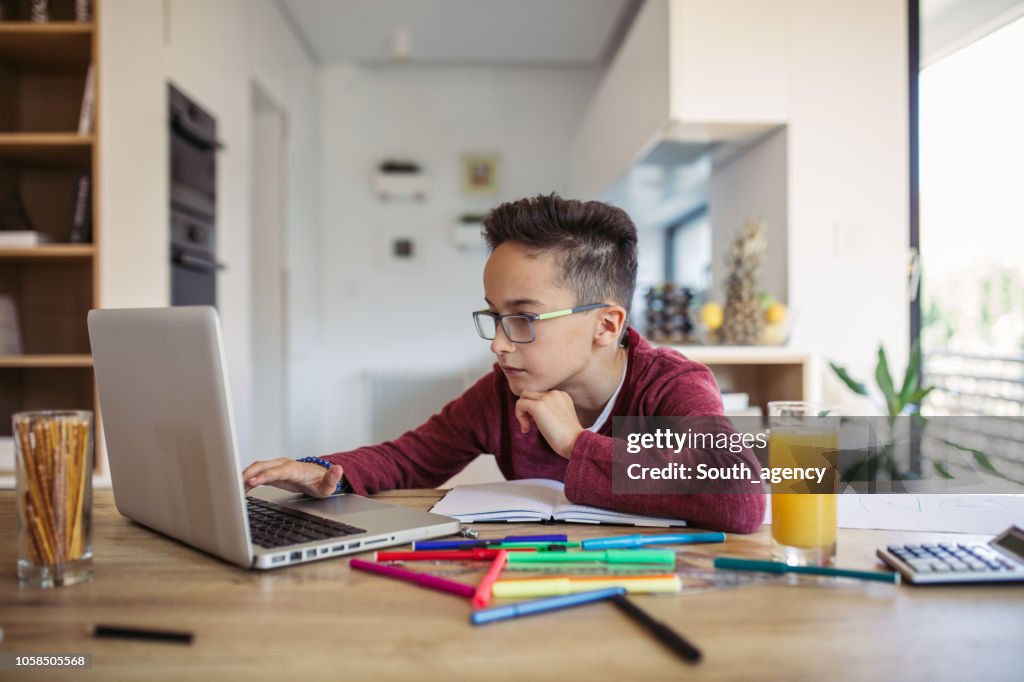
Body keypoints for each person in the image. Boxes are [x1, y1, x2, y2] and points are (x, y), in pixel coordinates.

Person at [242, 194, 765, 533]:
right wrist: (318, 471)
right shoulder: (503, 390)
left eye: (523, 317)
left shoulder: (669, 386)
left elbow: (740, 499)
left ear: (605, 326)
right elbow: (410, 458)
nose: (497, 344)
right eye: (493, 316)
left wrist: (575, 444)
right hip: (532, 583)